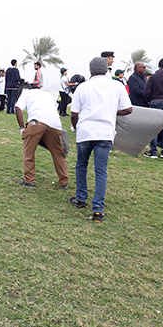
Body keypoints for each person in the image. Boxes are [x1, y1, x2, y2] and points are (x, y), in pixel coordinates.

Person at [70, 57, 132, 221]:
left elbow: (74, 113)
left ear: (90, 70)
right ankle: (98, 210)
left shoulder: (83, 87)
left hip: (85, 132)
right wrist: (112, 112)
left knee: (81, 165)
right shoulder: (117, 86)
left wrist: (76, 127)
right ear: (106, 69)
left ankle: (81, 199)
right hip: (105, 133)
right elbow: (128, 109)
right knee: (100, 171)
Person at [13, 80, 68, 190]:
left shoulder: (26, 93)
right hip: (55, 124)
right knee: (58, 154)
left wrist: (21, 127)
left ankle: (29, 181)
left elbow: (18, 108)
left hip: (36, 122)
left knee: (29, 152)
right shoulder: (47, 95)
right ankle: (64, 182)